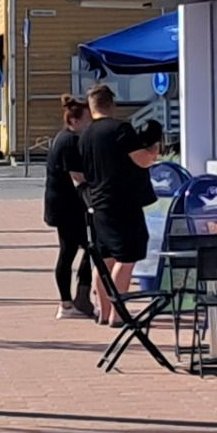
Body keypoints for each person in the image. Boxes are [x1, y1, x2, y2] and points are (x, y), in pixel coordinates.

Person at [77, 85, 161, 326]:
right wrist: (153, 148)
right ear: (111, 104)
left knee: (105, 260)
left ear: (91, 106)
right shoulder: (120, 129)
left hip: (98, 204)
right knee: (127, 257)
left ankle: (103, 313)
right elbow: (142, 160)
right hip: (123, 203)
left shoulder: (84, 135)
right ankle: (118, 314)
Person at [43, 93, 94, 318]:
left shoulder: (64, 138)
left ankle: (76, 298)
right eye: (87, 119)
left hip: (63, 206)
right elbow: (78, 176)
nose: (90, 123)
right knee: (83, 248)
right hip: (67, 207)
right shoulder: (70, 142)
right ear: (74, 121)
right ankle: (71, 301)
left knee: (77, 249)